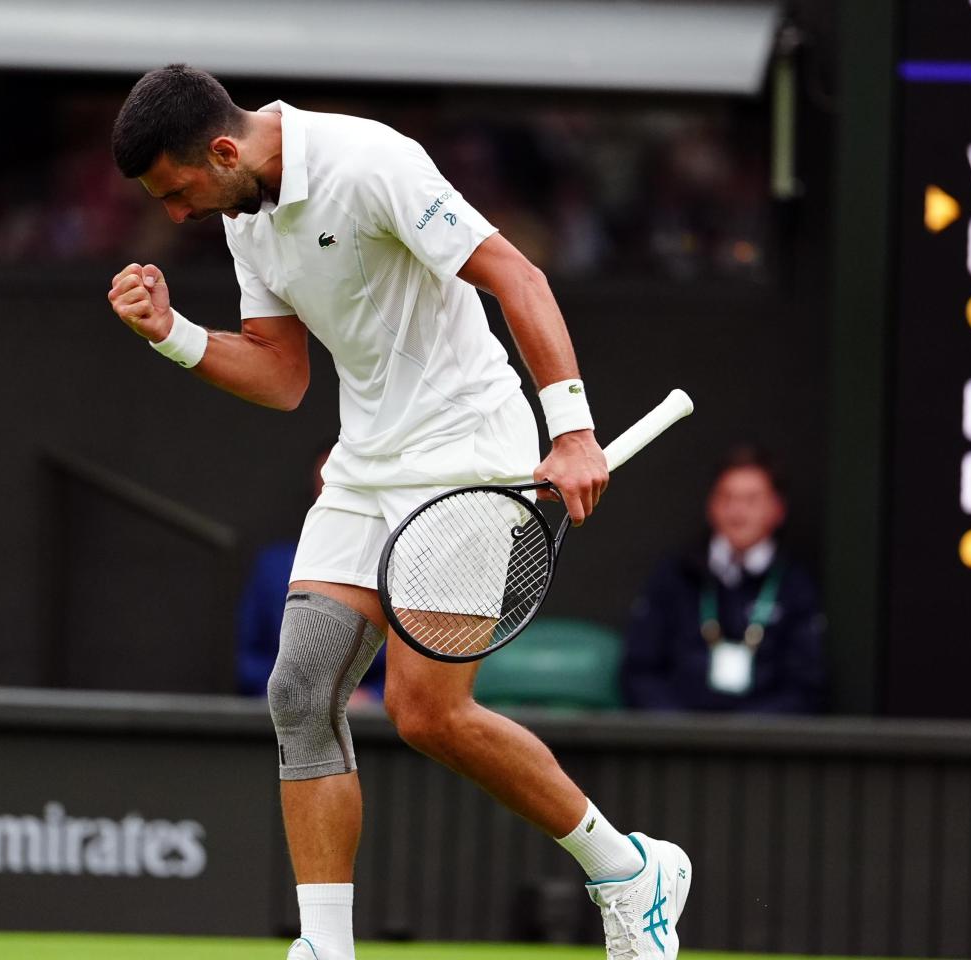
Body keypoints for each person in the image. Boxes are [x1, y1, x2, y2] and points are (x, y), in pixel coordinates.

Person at [106, 66, 691, 960]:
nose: (178, 215)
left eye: (179, 191)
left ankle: (626, 868)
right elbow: (281, 373)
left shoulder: (371, 161)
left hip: (465, 455)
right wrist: (173, 335)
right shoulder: (244, 216)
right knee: (299, 691)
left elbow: (517, 276)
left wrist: (572, 430)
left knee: (427, 715)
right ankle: (325, 949)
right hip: (366, 464)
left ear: (223, 149)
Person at [623, 447, 827, 713]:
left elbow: (807, 688)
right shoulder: (675, 573)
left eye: (751, 500)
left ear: (778, 509)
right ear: (711, 505)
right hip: (676, 742)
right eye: (726, 497)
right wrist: (678, 731)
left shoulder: (795, 585)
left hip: (761, 746)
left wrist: (742, 738)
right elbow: (639, 670)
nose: (737, 511)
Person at [238, 448, 386, 702]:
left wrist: (370, 697)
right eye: (331, 483)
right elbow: (248, 658)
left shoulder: (397, 568)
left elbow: (418, 671)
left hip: (376, 724)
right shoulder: (275, 565)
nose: (340, 494)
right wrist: (288, 697)